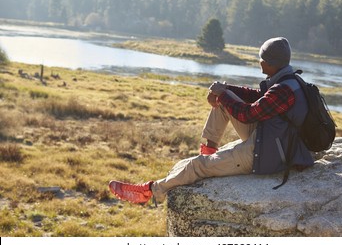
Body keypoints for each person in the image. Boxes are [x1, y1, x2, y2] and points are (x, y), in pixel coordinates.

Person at [108, 37, 314, 205]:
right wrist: (223, 89)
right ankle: (208, 151)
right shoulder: (289, 81)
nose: (259, 62)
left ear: (268, 63)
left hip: (266, 154)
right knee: (225, 103)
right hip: (272, 138)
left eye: (261, 59)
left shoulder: (283, 90)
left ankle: (150, 191)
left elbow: (248, 114)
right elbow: (254, 97)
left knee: (195, 166)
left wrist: (222, 94)